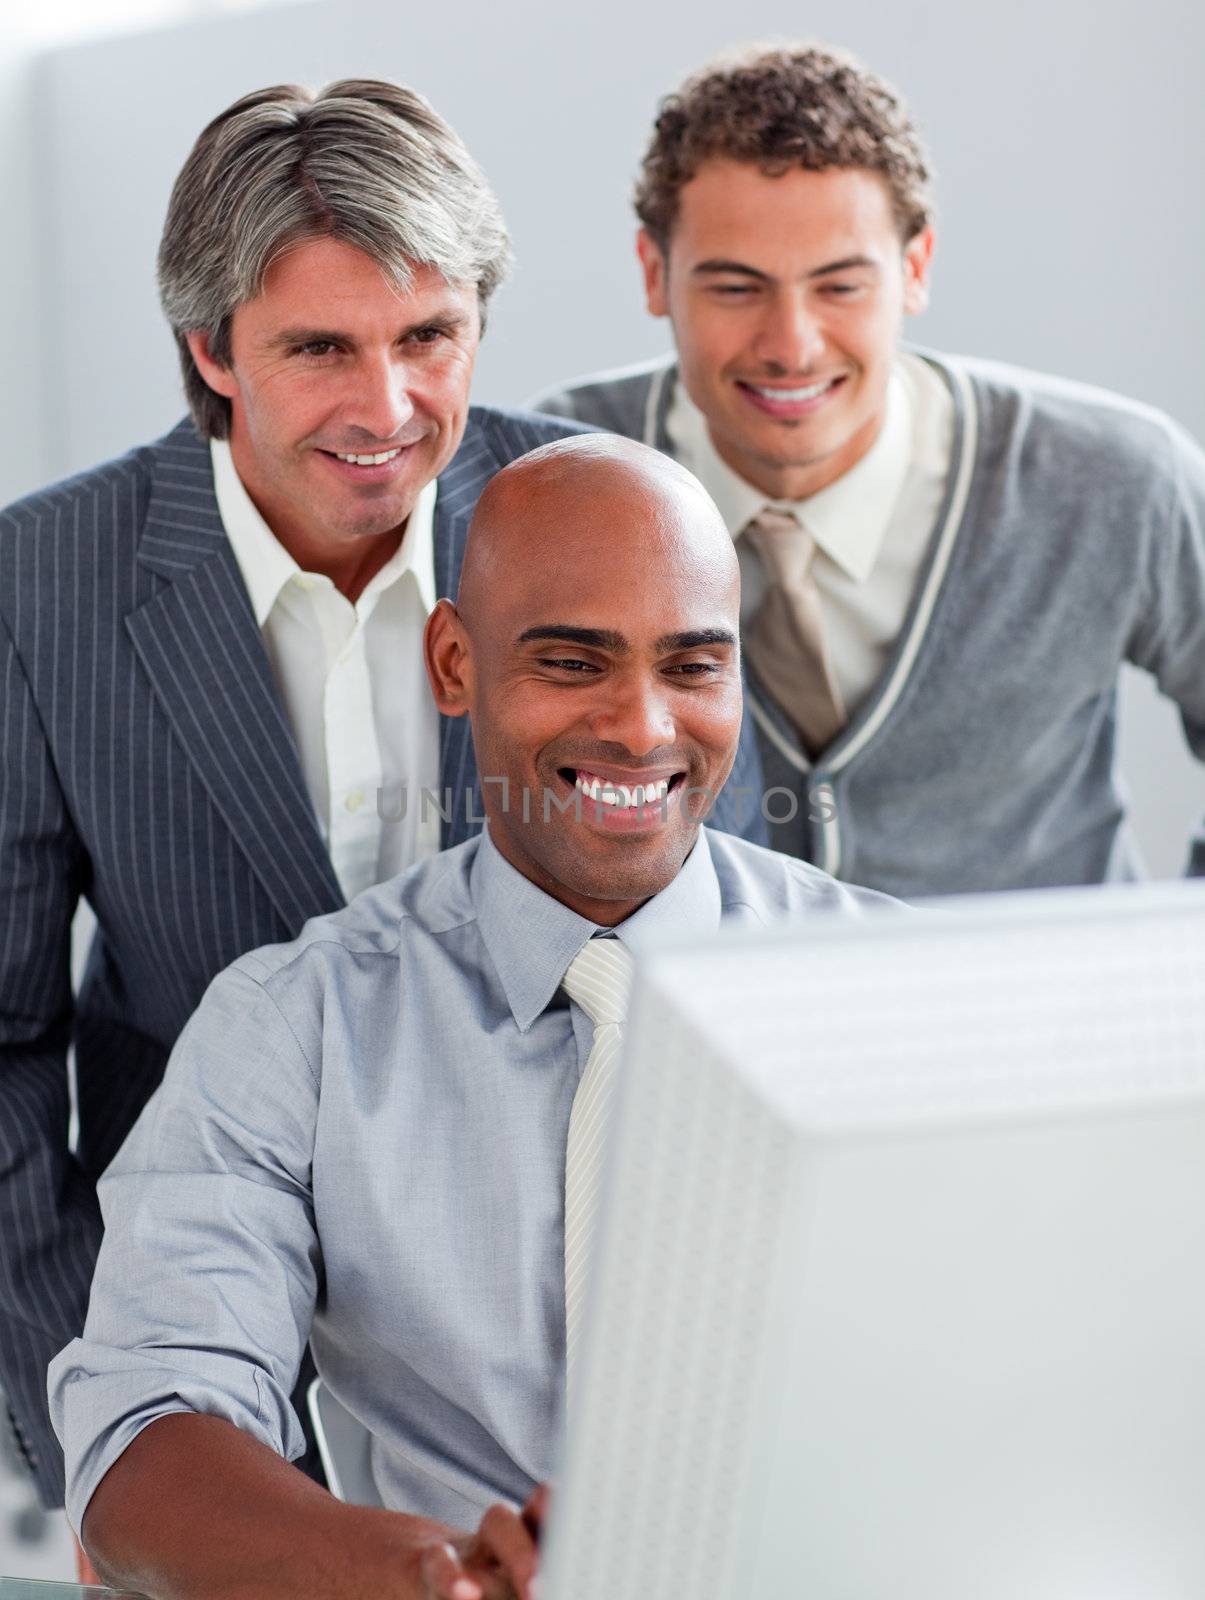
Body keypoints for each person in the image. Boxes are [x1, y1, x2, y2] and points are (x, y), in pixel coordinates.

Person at [48, 436, 889, 1600]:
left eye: (691, 666)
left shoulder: (897, 990)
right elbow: (144, 1429)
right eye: (570, 662)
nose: (642, 728)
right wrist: (418, 1577)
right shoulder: (299, 1024)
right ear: (453, 662)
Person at [0, 76, 626, 1515]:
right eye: (320, 349)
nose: (388, 406)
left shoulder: (602, 518)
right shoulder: (41, 588)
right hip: (203, 1336)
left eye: (429, 337)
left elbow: (710, 952)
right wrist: (100, 1423)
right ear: (212, 350)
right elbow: (6, 1044)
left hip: (560, 1330)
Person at [533, 42, 1205, 898]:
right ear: (654, 272)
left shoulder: (1113, 480)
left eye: (839, 286)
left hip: (1038, 1021)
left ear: (913, 269)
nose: (790, 346)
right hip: (682, 1025)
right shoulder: (554, 476)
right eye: (736, 289)